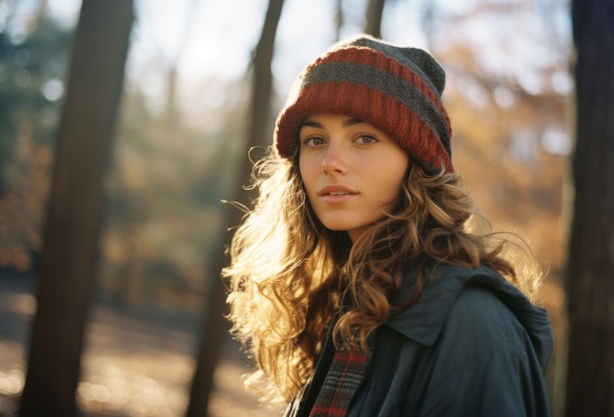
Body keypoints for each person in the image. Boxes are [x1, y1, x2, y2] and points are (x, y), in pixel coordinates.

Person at [223, 34, 554, 417]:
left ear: (417, 163)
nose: (330, 161)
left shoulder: (470, 321)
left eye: (364, 138)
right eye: (315, 139)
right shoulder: (348, 303)